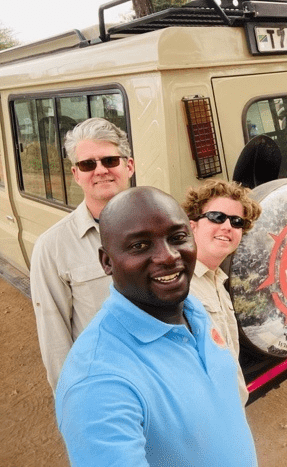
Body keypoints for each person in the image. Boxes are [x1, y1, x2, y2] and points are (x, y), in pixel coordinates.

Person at [55, 187, 258, 466]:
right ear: (107, 262)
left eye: (177, 238)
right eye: (140, 245)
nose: (168, 256)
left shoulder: (192, 309)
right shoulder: (97, 383)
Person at [30, 118, 135, 390]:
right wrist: (72, 401)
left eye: (110, 160)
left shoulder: (163, 227)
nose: (100, 170)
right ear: (76, 174)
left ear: (129, 166)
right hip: (107, 387)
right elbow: (55, 338)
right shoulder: (51, 247)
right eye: (88, 164)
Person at [182, 180, 262, 406]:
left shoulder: (217, 280)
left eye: (237, 222)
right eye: (217, 217)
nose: (227, 226)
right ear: (192, 225)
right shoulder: (179, 288)